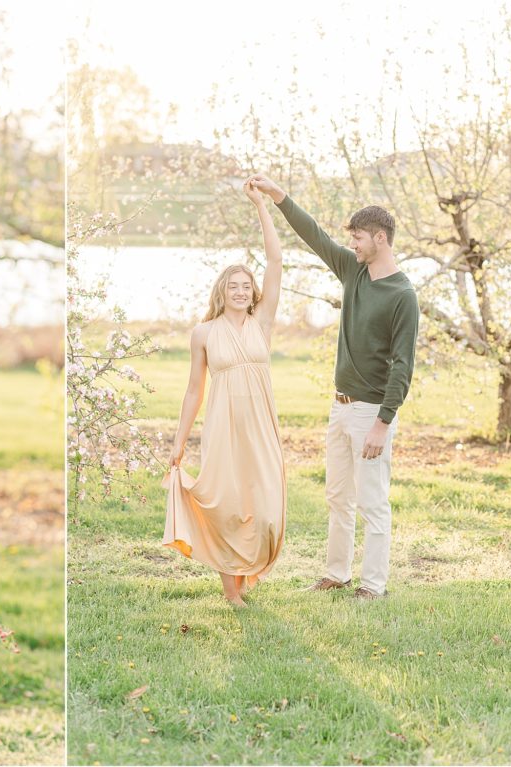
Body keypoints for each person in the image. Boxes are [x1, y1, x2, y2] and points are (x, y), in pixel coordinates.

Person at [248, 173, 419, 599]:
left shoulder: (403, 295)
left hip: (370, 413)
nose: (354, 244)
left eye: (360, 238)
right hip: (339, 407)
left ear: (380, 238)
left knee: (372, 502)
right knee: (337, 496)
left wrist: (383, 422)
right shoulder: (353, 271)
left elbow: (403, 366)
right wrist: (277, 196)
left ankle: (373, 585)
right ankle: (336, 573)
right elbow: (315, 235)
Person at [162, 178, 286, 607]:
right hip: (223, 426)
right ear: (221, 291)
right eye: (231, 285)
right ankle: (231, 590)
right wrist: (179, 444)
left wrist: (262, 206)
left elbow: (274, 259)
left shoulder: (262, 322)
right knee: (228, 505)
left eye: (245, 285)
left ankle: (251, 570)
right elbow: (193, 390)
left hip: (262, 425)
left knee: (267, 508)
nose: (239, 290)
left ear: (252, 293)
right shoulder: (203, 333)